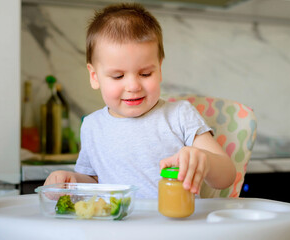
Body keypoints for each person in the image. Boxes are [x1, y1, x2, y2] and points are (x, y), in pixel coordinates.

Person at [44, 3, 236, 198]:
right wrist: (71, 181)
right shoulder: (92, 127)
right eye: (118, 76)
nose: (133, 86)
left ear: (159, 69)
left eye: (145, 74)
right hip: (116, 227)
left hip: (174, 226)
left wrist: (205, 161)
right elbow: (95, 181)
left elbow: (227, 177)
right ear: (94, 76)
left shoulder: (180, 115)